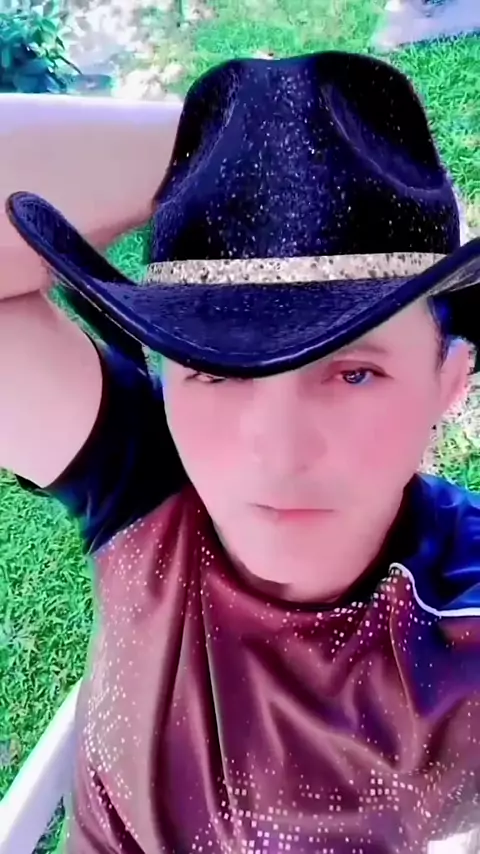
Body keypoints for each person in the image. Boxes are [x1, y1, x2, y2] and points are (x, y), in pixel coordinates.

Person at [2, 50, 480, 854]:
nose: (277, 452)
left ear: (449, 383)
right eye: (217, 370)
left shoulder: (459, 622)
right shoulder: (144, 481)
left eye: (353, 373)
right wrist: (233, 139)